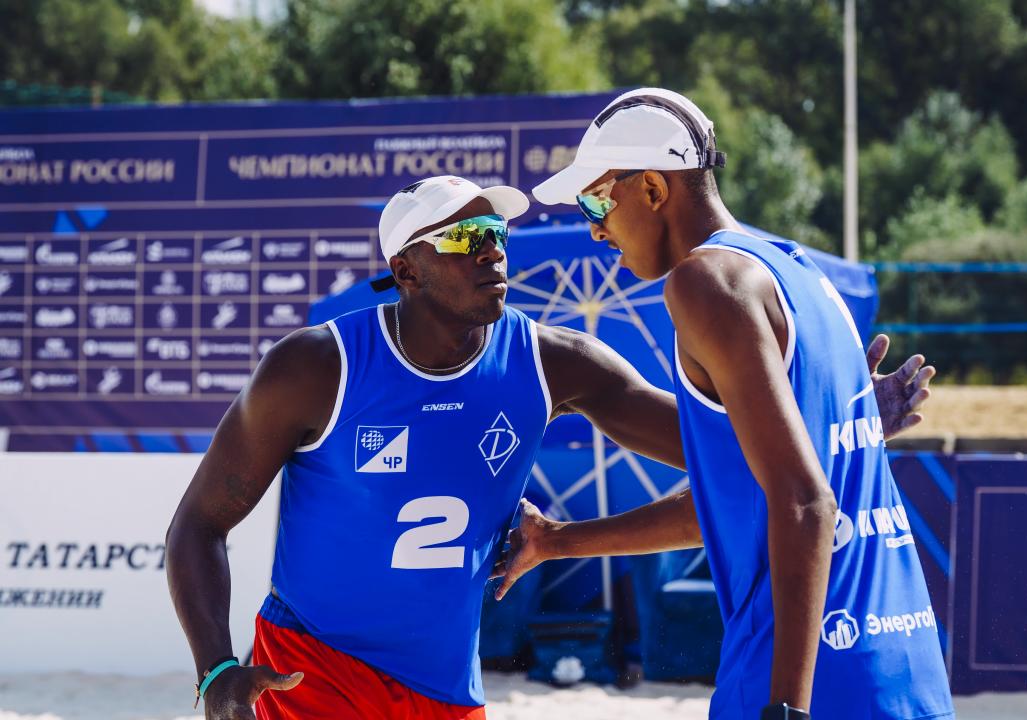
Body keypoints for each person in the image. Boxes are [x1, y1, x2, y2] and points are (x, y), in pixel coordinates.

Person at [166, 174, 932, 720]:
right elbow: (197, 525)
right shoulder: (315, 367)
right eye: (466, 239)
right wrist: (217, 670)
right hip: (314, 673)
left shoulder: (551, 360)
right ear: (406, 270)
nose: (493, 252)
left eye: (498, 235)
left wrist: (844, 421)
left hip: (445, 688)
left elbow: (727, 453)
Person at [497, 88, 954, 720]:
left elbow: (806, 504)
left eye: (596, 199)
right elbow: (739, 494)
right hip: (905, 671)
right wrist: (557, 541)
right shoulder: (800, 271)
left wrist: (787, 709)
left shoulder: (705, 282)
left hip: (805, 679)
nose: (595, 227)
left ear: (653, 188)